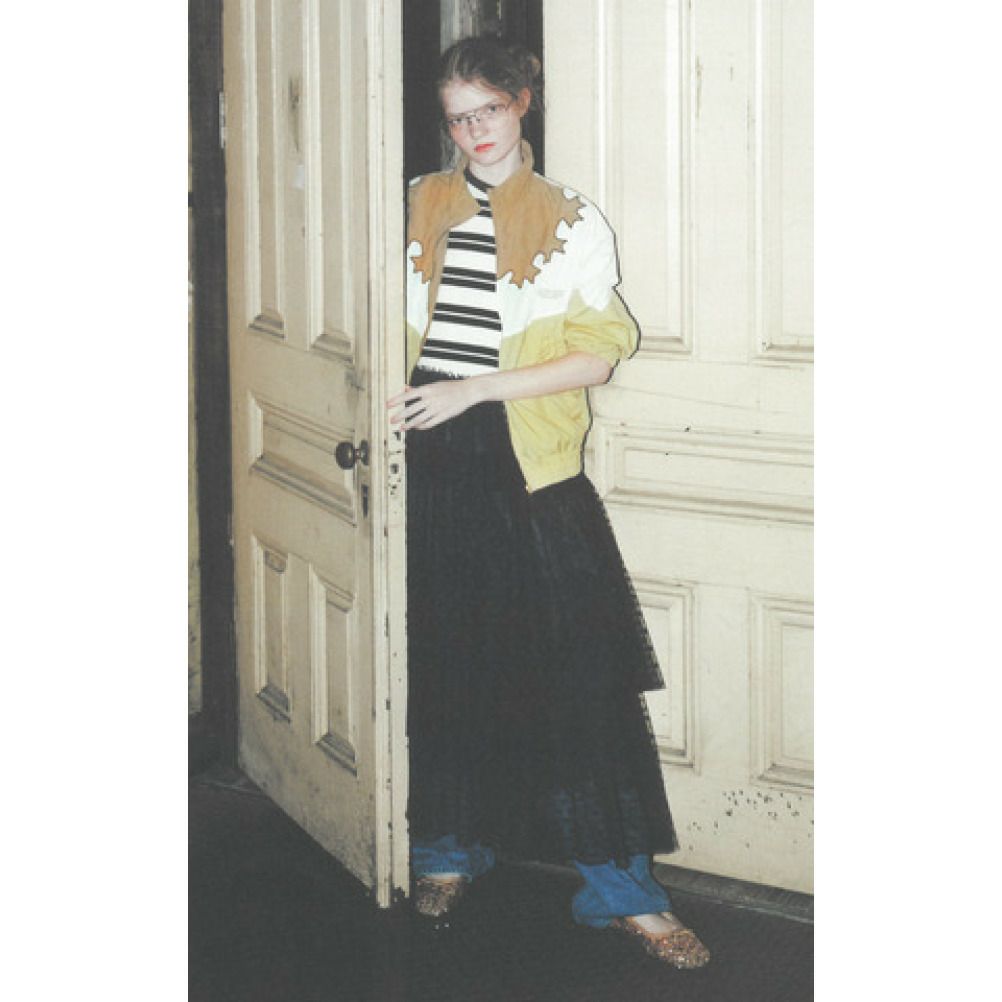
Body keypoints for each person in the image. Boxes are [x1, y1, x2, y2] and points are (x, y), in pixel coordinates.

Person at [387, 36, 710, 970]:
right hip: (425, 460)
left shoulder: (569, 219)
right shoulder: (415, 202)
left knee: (576, 681)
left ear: (523, 101)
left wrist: (474, 390)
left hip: (525, 463)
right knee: (441, 660)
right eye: (458, 117)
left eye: (489, 109)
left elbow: (599, 355)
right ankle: (447, 849)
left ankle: (623, 892)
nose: (474, 131)